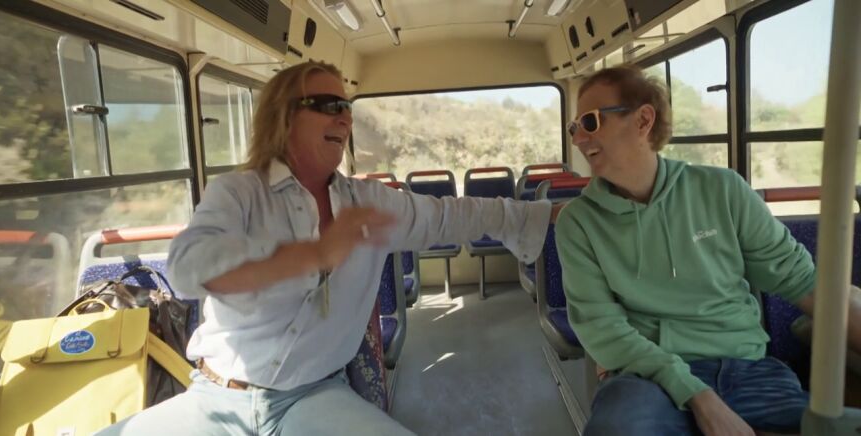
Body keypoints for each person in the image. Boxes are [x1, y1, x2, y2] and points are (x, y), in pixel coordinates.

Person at [96, 61, 560, 436]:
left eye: (346, 107)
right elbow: (187, 268)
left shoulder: (368, 203)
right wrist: (312, 255)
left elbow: (451, 216)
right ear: (283, 116)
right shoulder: (239, 194)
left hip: (313, 397)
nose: (344, 117)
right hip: (216, 398)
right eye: (327, 105)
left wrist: (548, 214)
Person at [554, 65, 861, 436]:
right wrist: (698, 396)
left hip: (748, 370)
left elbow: (804, 283)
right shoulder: (579, 223)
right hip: (647, 379)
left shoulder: (723, 190)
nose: (578, 138)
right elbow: (603, 328)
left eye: (590, 122)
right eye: (574, 128)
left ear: (643, 120)